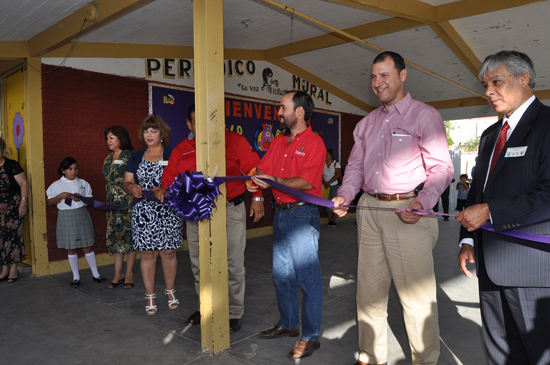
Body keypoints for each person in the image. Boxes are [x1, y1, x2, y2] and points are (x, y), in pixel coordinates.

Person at [332, 51, 453, 365]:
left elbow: (441, 169)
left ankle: (425, 360)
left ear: (402, 75)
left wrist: (422, 203)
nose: (377, 82)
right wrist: (345, 195)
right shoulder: (367, 123)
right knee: (368, 294)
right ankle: (370, 356)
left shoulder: (424, 116)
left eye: (384, 75)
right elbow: (355, 168)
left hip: (408, 212)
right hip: (370, 211)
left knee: (416, 300)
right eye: (373, 76)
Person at [457, 50, 550, 365]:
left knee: (537, 353)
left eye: (496, 81)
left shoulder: (548, 126)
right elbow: (477, 192)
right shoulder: (489, 136)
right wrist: (468, 239)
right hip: (488, 264)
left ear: (523, 79)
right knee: (498, 352)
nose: (488, 91)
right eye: (485, 84)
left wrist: (491, 213)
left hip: (530, 268)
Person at [155, 104, 265, 332]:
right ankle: (205, 306)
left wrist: (258, 199)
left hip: (230, 210)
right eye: (197, 122)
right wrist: (164, 188)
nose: (203, 127)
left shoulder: (235, 141)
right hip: (195, 214)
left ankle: (234, 311)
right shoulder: (182, 148)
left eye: (207, 120)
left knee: (233, 264)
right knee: (200, 263)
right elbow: (169, 175)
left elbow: (254, 170)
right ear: (189, 125)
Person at [247, 91, 326, 360]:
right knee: (281, 274)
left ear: (300, 111)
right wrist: (255, 187)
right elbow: (260, 172)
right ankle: (289, 324)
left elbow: (306, 181)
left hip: (302, 216)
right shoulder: (279, 142)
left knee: (308, 278)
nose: (279, 113)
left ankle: (311, 336)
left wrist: (273, 181)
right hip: (280, 214)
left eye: (283, 108)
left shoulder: (315, 143)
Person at [124, 115, 183, 316]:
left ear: (162, 134)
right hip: (144, 211)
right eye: (146, 131)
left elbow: (183, 179)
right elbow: (126, 183)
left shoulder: (173, 153)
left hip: (168, 210)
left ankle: (170, 291)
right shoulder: (136, 156)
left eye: (153, 131)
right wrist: (132, 188)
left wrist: (167, 188)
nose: (149, 135)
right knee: (148, 253)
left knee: (168, 252)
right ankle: (150, 295)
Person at [46, 157, 106, 286]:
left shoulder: (83, 183)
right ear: (63, 171)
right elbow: (50, 201)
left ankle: (96, 274)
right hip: (66, 216)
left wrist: (82, 198)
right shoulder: (56, 185)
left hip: (81, 214)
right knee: (71, 247)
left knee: (87, 245)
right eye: (70, 169)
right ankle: (76, 276)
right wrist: (61, 196)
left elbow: (89, 198)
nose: (73, 171)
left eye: (76, 168)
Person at [102, 126, 135, 289]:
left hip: (127, 205)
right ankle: (118, 274)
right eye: (107, 138)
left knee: (128, 238)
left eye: (112, 137)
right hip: (111, 206)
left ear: (121, 138)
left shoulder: (130, 156)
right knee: (115, 239)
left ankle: (129, 273)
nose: (108, 141)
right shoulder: (108, 158)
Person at [0, 137, 29, 283]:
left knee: (12, 237)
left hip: (12, 207)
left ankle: (14, 269)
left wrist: (23, 203)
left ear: (2, 150)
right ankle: (5, 268)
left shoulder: (12, 165)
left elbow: (24, 183)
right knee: (0, 239)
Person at [323, 149, 341, 227]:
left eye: (327, 154)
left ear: (331, 155)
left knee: (335, 203)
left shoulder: (336, 164)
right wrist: (325, 183)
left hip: (334, 185)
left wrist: (329, 182)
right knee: (327, 203)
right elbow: (320, 175)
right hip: (325, 186)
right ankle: (330, 221)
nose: (325, 156)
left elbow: (337, 174)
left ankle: (334, 221)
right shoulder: (322, 164)